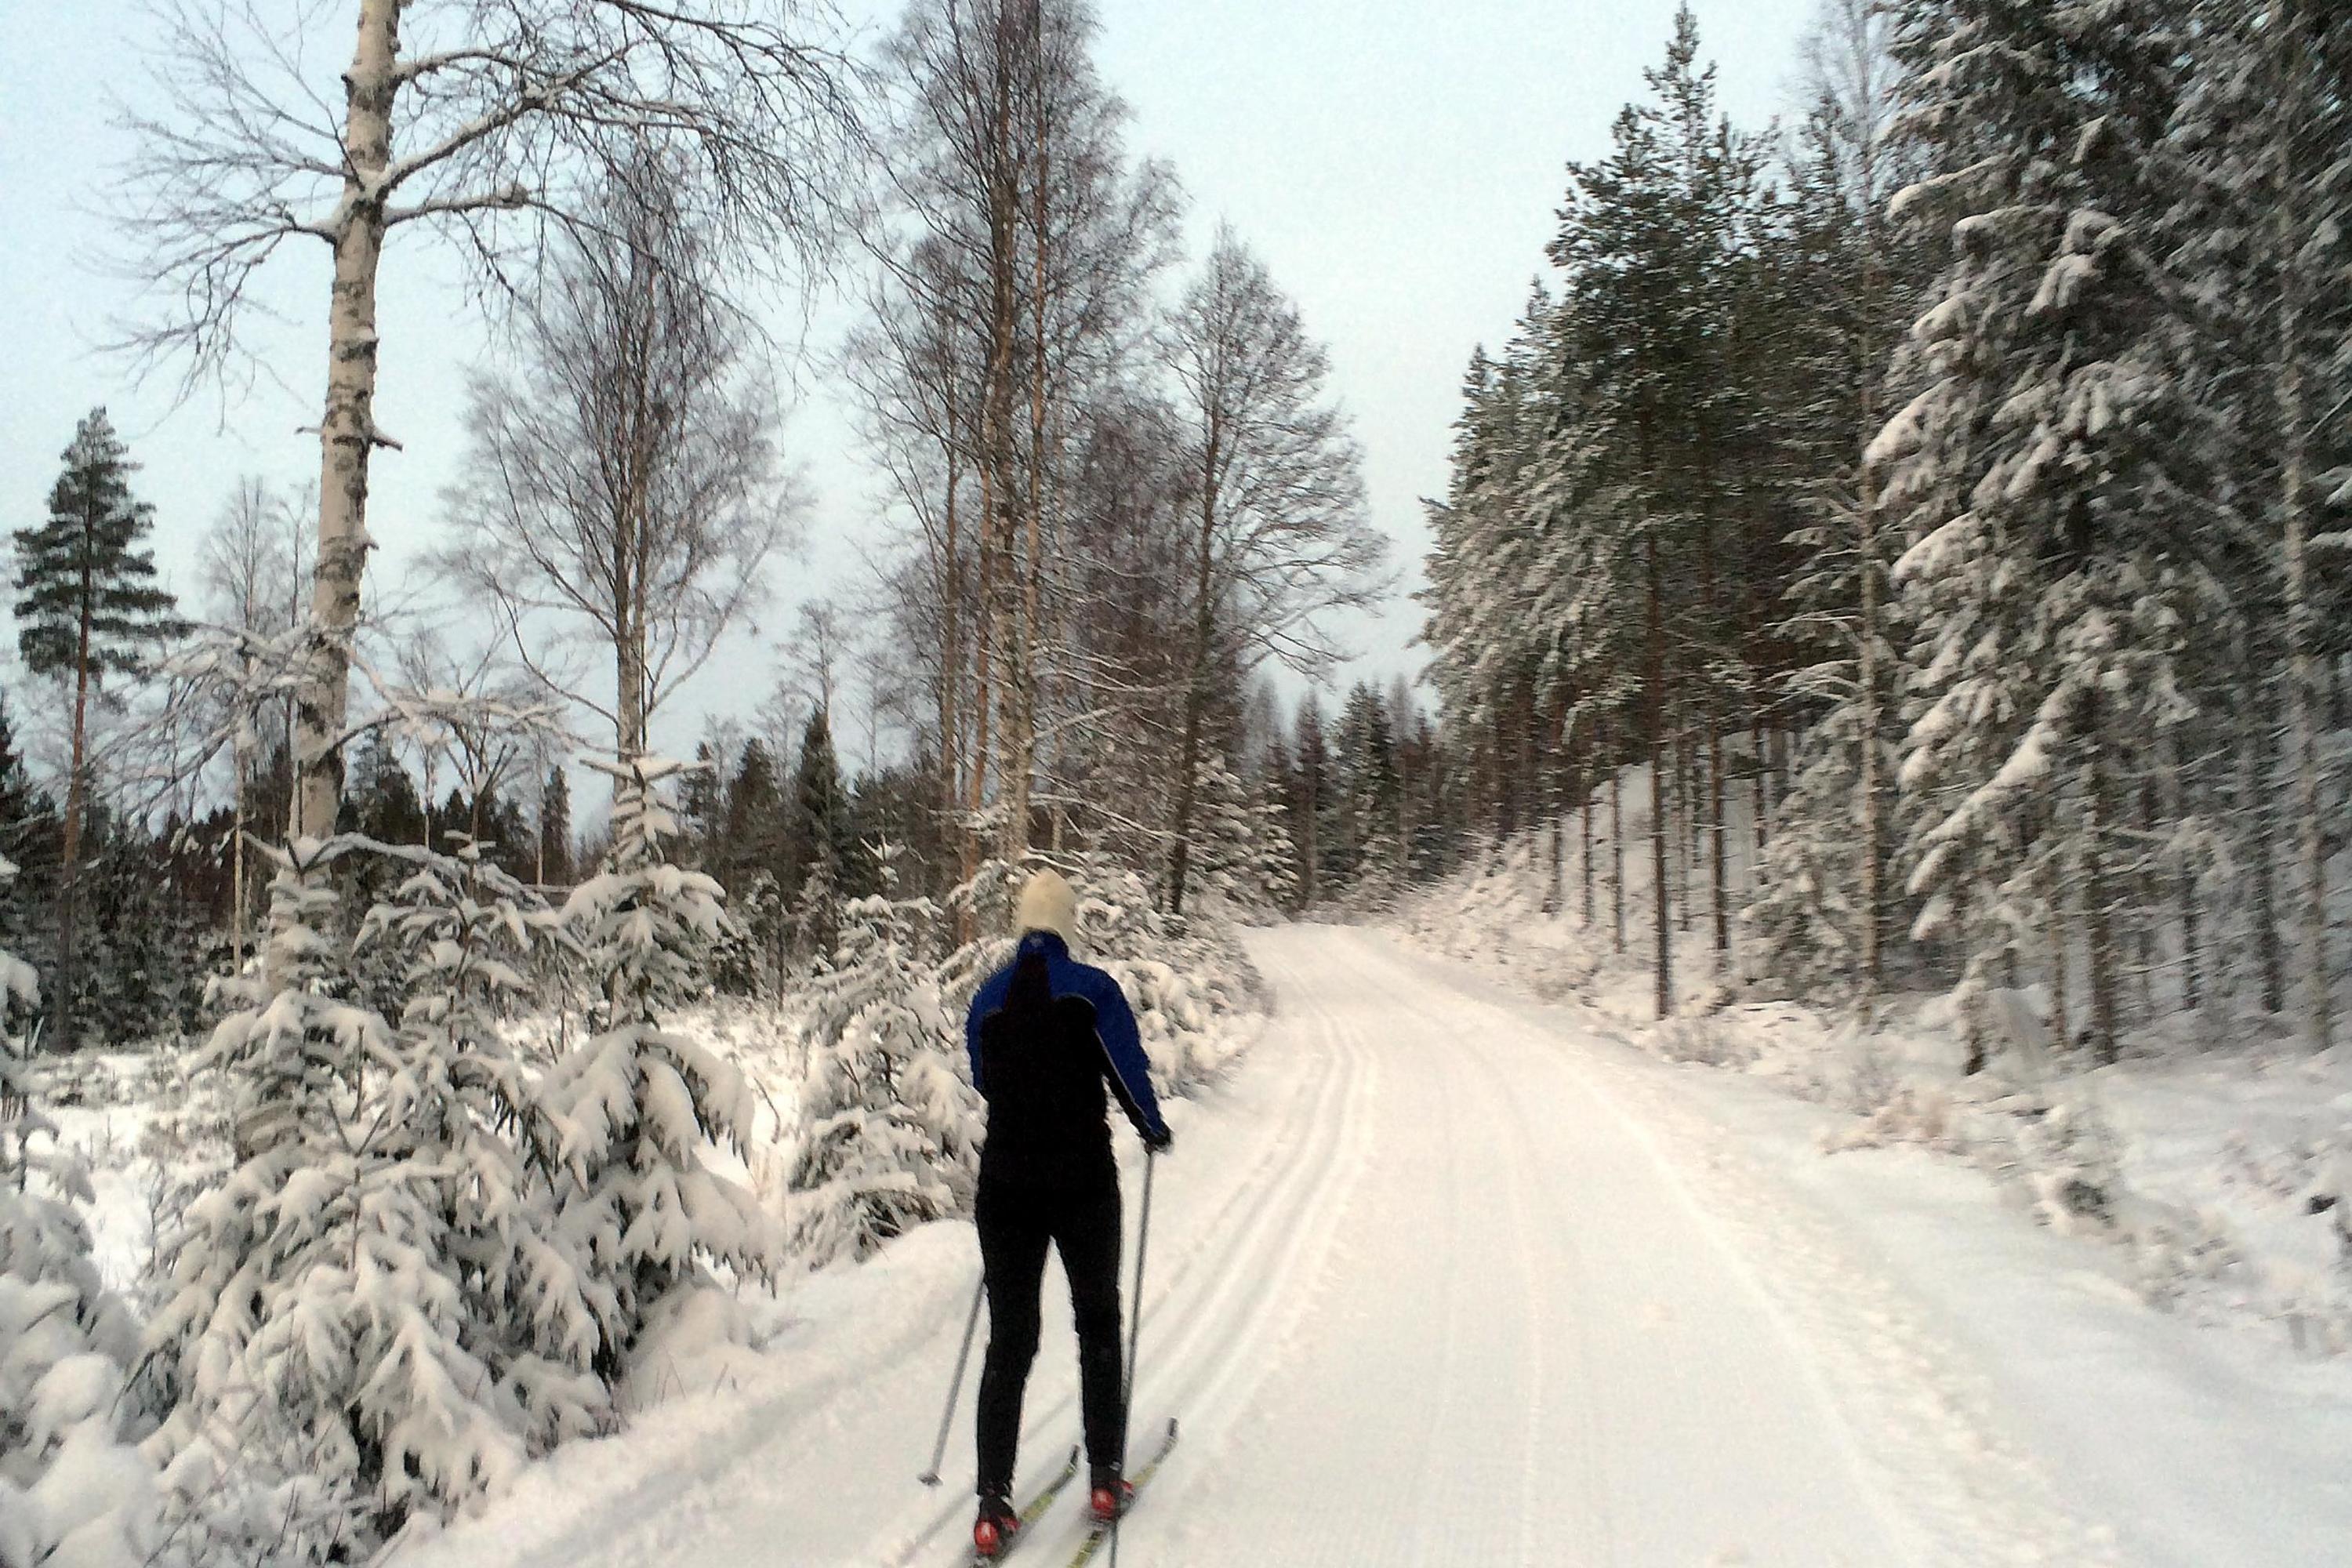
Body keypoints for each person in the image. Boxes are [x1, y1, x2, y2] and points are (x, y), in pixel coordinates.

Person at [964, 868, 1172, 1560]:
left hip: (1005, 1188)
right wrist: (1151, 1127)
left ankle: (992, 1504)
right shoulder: (1093, 990)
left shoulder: (986, 999)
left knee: (1010, 1340)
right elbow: (1127, 1069)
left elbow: (985, 1080)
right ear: (1067, 924)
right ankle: (1105, 1479)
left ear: (1022, 924)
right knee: (1098, 1322)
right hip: (1082, 1182)